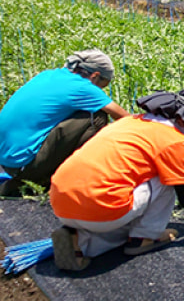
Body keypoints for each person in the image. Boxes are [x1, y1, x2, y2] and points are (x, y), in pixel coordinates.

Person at [48, 88, 184, 271]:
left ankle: (78, 241)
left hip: (60, 201)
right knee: (168, 176)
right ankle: (145, 237)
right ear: (182, 121)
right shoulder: (173, 141)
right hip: (102, 208)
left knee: (117, 219)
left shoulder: (129, 122)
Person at [0, 49, 129, 197]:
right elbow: (124, 118)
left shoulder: (47, 75)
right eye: (102, 86)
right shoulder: (83, 88)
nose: (100, 91)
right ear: (95, 76)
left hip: (7, 161)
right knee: (96, 116)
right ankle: (64, 178)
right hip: (24, 164)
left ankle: (38, 177)